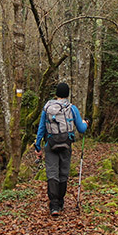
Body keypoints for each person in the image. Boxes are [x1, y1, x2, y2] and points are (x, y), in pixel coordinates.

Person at [34, 82, 88, 216]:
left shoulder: (47, 107)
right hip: (66, 144)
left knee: (52, 173)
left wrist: (38, 147)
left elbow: (41, 128)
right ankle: (61, 202)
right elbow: (81, 129)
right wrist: (86, 124)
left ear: (56, 94)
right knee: (63, 173)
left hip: (50, 144)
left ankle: (54, 206)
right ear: (67, 94)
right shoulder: (72, 108)